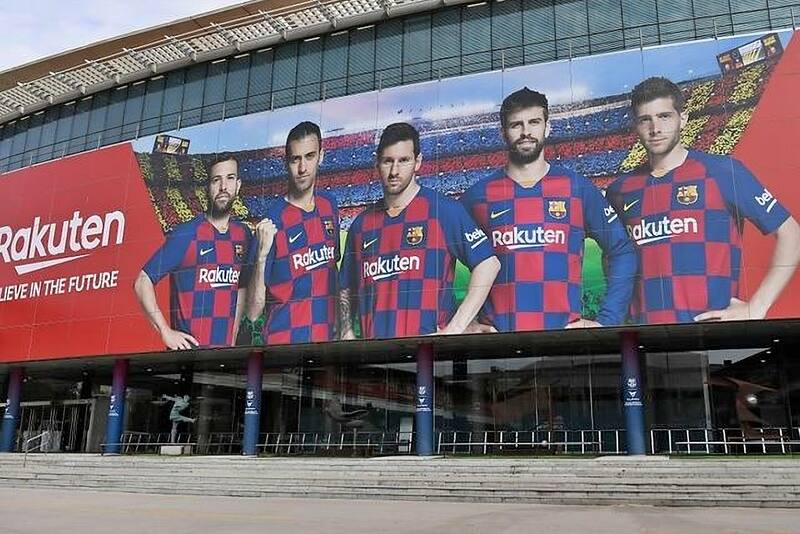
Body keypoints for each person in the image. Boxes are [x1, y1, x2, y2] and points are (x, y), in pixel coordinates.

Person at [606, 76, 800, 324]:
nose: (655, 128)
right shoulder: (620, 190)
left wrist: (758, 306)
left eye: (664, 116)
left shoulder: (722, 171)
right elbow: (614, 256)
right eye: (646, 119)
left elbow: (791, 233)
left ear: (682, 119)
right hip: (645, 337)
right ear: (636, 126)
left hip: (711, 334)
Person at [460, 87, 637, 332]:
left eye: (534, 122)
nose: (525, 132)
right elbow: (435, 260)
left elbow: (621, 250)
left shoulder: (577, 188)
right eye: (516, 125)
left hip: (563, 343)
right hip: (496, 345)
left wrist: (607, 320)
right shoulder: (476, 196)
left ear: (547, 126)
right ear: (503, 133)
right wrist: (461, 325)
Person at [339, 122, 500, 339]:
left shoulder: (443, 210)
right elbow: (346, 288)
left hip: (428, 355)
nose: (394, 171)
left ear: (418, 162)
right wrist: (346, 332)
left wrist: (455, 328)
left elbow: (489, 264)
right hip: (376, 357)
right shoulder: (361, 225)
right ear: (377, 163)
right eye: (388, 161)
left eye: (403, 160)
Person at [134, 155, 251, 349]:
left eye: (230, 178)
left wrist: (232, 337)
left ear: (238, 185)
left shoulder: (243, 234)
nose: (223, 186)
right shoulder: (187, 233)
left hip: (224, 356)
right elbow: (142, 281)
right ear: (207, 187)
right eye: (216, 180)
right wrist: (165, 331)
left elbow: (241, 287)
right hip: (188, 358)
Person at [245, 121, 340, 344]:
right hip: (284, 344)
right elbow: (252, 311)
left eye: (309, 156)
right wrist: (260, 257)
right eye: (295, 159)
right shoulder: (272, 221)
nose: (303, 168)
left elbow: (331, 267)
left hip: (326, 343)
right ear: (286, 162)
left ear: (321, 156)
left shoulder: (330, 205)